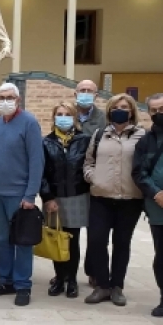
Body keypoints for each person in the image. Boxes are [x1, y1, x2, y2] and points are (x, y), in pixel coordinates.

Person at [0, 82, 44, 307]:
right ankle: (5, 280)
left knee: (22, 240)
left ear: (18, 100)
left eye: (10, 97)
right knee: (2, 239)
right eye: (1, 97)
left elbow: (37, 161)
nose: (5, 101)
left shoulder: (29, 123)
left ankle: (22, 285)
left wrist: (30, 195)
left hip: (19, 194)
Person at [83, 93, 145, 306]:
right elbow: (88, 161)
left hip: (130, 199)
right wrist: (94, 179)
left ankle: (117, 286)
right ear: (109, 110)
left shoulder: (141, 135)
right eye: (116, 106)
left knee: (122, 243)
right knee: (97, 241)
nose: (120, 110)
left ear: (132, 111)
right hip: (101, 197)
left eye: (125, 107)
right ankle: (102, 285)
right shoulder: (100, 134)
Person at [133, 93, 163, 322]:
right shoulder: (146, 140)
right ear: (148, 112)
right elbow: (138, 173)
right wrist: (156, 194)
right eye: (154, 110)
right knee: (162, 258)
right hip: (157, 210)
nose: (159, 113)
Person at [40, 102, 91, 299]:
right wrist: (47, 197)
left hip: (76, 196)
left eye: (67, 114)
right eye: (59, 114)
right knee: (55, 237)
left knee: (72, 240)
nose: (63, 117)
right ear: (53, 118)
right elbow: (41, 173)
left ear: (74, 117)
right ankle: (59, 278)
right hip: (54, 197)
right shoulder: (46, 142)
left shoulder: (84, 140)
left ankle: (72, 279)